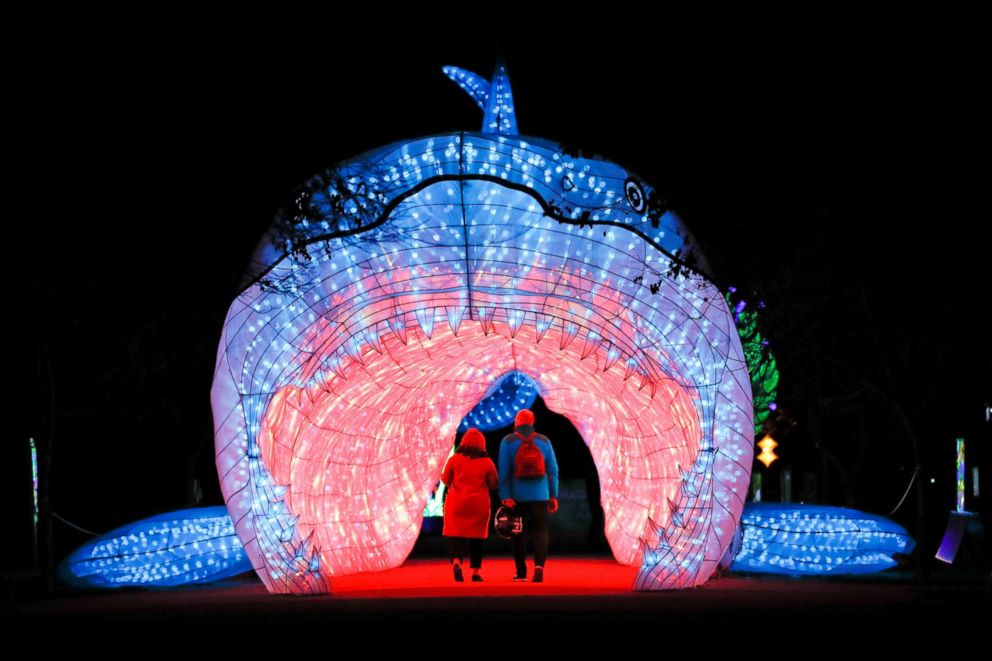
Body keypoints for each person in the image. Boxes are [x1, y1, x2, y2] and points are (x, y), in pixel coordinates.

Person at [498, 408, 559, 582]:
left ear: (517, 422)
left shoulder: (508, 441)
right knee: (540, 530)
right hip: (541, 495)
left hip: (516, 496)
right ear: (532, 423)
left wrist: (505, 496)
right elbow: (553, 470)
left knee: (518, 532)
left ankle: (521, 572)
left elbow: (504, 472)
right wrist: (553, 495)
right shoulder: (544, 441)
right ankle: (539, 566)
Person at [440, 427, 498, 582]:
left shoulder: (454, 459)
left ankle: (457, 562)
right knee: (477, 539)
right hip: (478, 505)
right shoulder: (487, 462)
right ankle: (476, 572)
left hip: (456, 504)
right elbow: (493, 484)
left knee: (456, 537)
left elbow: (445, 480)